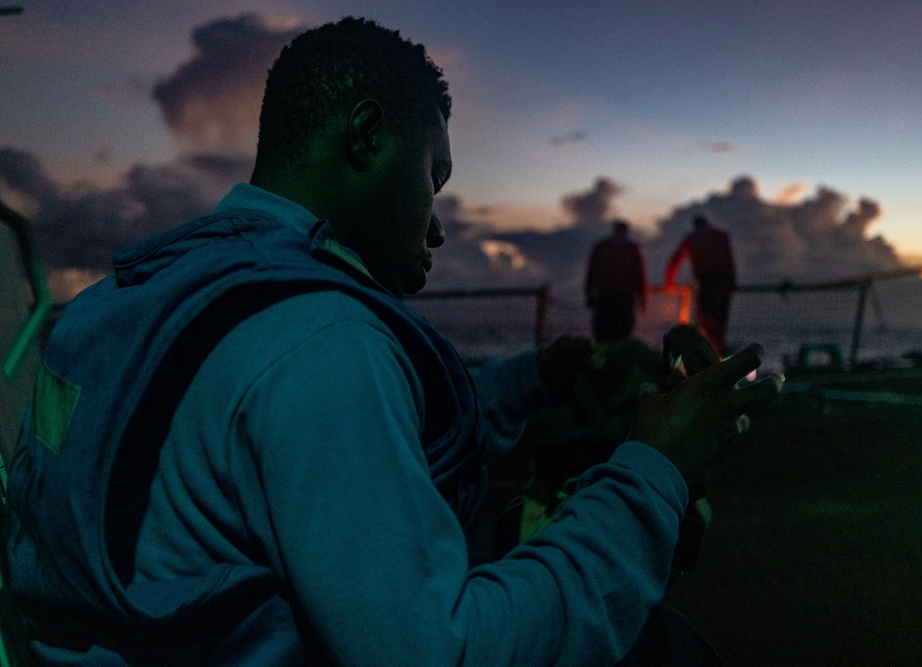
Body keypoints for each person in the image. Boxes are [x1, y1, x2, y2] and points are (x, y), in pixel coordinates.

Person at [4, 18, 781, 666]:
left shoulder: (117, 305)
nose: (438, 223)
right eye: (432, 177)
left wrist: (538, 375)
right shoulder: (323, 341)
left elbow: (320, 437)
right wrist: (656, 471)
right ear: (368, 136)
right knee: (664, 649)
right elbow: (444, 652)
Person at [665, 215, 737, 356]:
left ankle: (710, 352)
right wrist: (732, 281)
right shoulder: (720, 236)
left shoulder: (693, 239)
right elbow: (730, 260)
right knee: (720, 319)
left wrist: (669, 282)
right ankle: (718, 351)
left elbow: (675, 260)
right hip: (724, 282)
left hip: (707, 282)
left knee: (706, 317)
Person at [585, 219, 648, 344]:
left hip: (604, 298)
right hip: (624, 298)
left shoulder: (601, 247)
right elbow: (639, 275)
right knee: (622, 335)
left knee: (603, 335)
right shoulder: (631, 249)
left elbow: (591, 272)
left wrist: (589, 294)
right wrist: (642, 299)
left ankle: (602, 360)